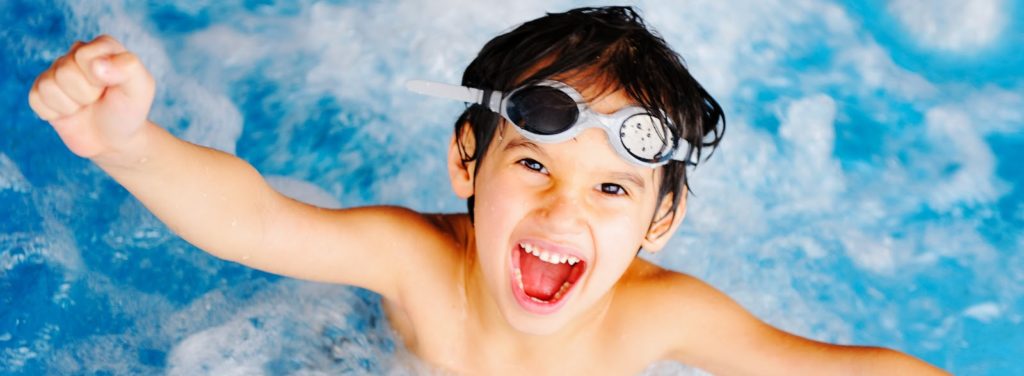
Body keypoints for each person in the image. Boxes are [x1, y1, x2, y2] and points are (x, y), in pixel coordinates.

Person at [28, 6, 947, 375]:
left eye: (614, 193)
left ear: (661, 223)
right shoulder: (416, 260)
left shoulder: (658, 318)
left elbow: (840, 369)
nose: (562, 211)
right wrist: (126, 143)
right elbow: (256, 220)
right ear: (468, 163)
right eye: (535, 165)